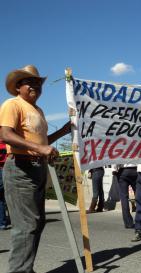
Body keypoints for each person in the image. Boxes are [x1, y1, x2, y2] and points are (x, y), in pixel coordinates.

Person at [0, 65, 71, 273]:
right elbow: (6, 134)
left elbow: (43, 141)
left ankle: (25, 268)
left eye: (38, 83)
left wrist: (63, 131)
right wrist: (40, 148)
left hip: (38, 168)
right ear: (18, 86)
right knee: (26, 226)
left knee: (36, 223)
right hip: (20, 168)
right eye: (29, 82)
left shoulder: (38, 110)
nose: (35, 86)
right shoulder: (13, 104)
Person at [113, 164, 137, 228]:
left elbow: (116, 156)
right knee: (139, 196)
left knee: (124, 197)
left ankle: (128, 223)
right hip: (135, 169)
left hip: (123, 170)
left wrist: (114, 169)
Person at [0, 139, 9, 230]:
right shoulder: (6, 141)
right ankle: (2, 223)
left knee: (1, 199)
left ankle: (2, 222)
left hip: (2, 168)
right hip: (7, 168)